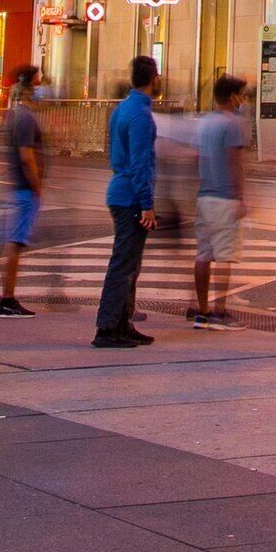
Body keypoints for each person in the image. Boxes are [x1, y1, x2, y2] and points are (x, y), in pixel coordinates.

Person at [93, 55, 159, 348]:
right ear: (154, 79)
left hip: (119, 191)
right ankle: (108, 327)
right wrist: (146, 203)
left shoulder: (122, 109)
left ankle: (123, 322)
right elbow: (140, 162)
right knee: (123, 264)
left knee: (129, 264)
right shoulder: (141, 116)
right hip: (130, 197)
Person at [0, 67, 47, 316]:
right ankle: (7, 300)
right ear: (29, 86)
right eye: (39, 83)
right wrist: (37, 186)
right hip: (23, 190)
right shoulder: (26, 118)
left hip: (14, 189)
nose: (42, 88)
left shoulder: (13, 115)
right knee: (14, 244)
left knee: (1, 242)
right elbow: (26, 157)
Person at [190, 74, 252, 327]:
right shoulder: (232, 124)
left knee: (203, 254)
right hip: (225, 197)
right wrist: (240, 197)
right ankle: (219, 311)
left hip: (204, 196)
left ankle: (202, 311)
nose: (243, 100)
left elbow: (196, 158)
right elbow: (234, 162)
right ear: (233, 97)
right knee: (224, 257)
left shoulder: (203, 122)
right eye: (242, 95)